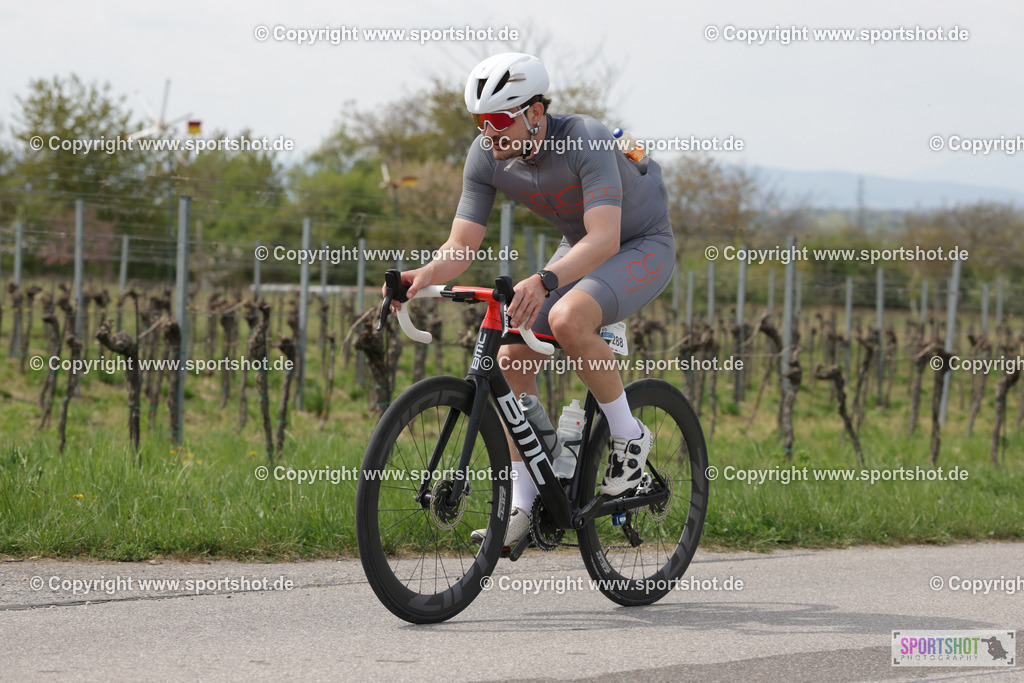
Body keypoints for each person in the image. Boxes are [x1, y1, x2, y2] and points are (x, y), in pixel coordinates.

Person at [390, 52, 675, 548]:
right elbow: (461, 246)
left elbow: (605, 239)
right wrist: (423, 275)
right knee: (510, 355)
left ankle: (629, 436)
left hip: (640, 243)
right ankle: (525, 500)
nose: (490, 134)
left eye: (500, 121)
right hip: (582, 243)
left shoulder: (581, 136)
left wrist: (543, 280)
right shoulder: (485, 156)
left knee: (567, 318)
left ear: (535, 113)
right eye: (481, 123)